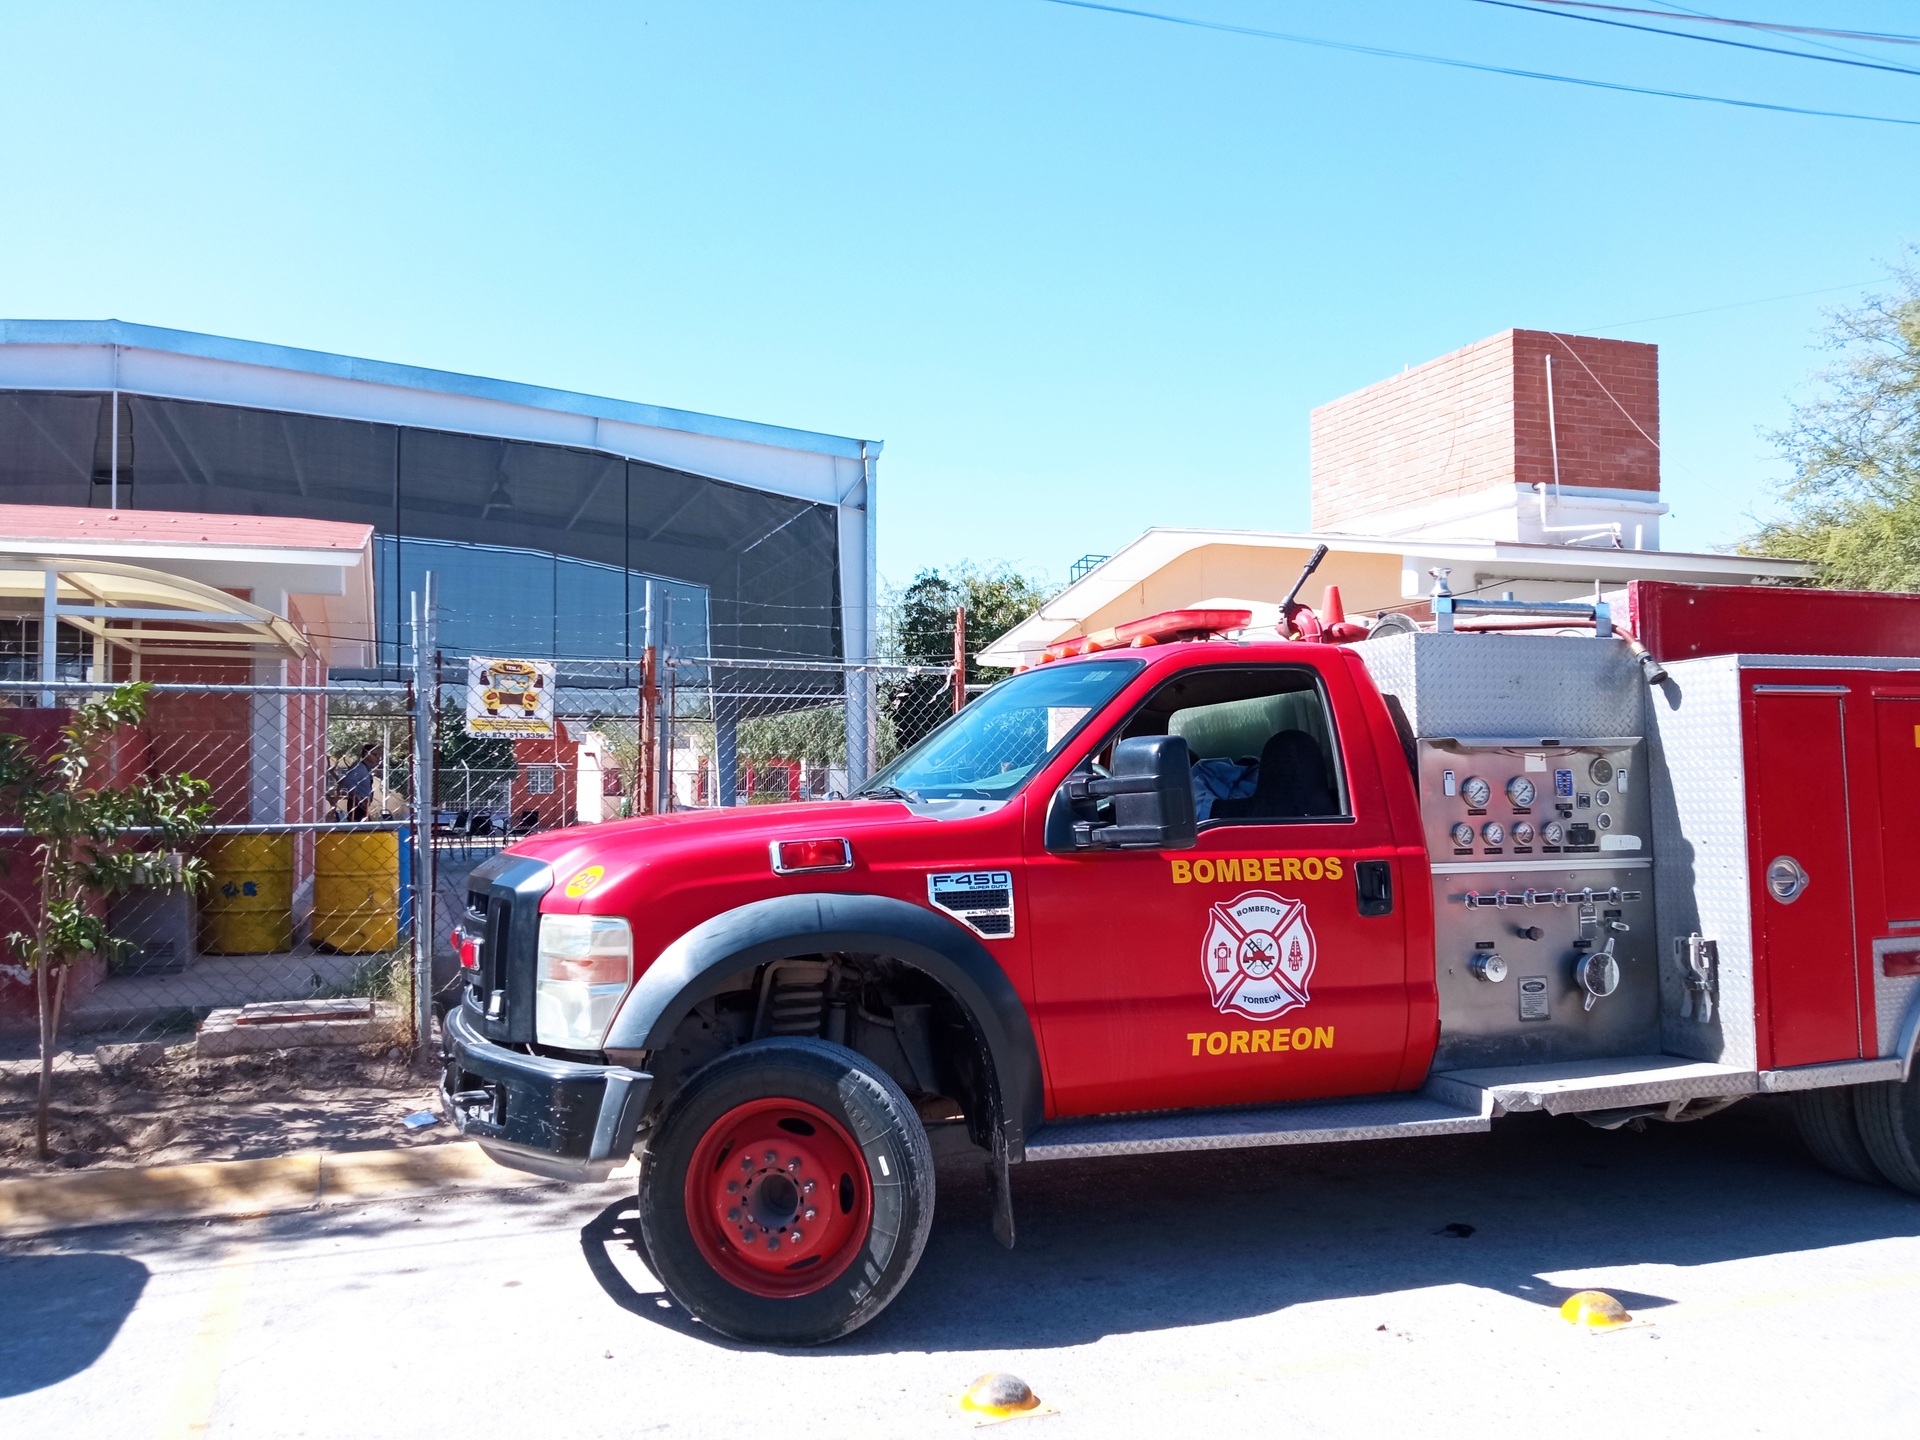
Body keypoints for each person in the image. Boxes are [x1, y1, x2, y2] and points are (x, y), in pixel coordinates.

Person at [339, 743, 378, 821]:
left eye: (379, 755)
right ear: (366, 754)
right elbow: (349, 782)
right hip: (357, 805)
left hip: (364, 805)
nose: (378, 758)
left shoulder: (367, 769)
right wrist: (357, 799)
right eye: (375, 754)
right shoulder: (359, 768)